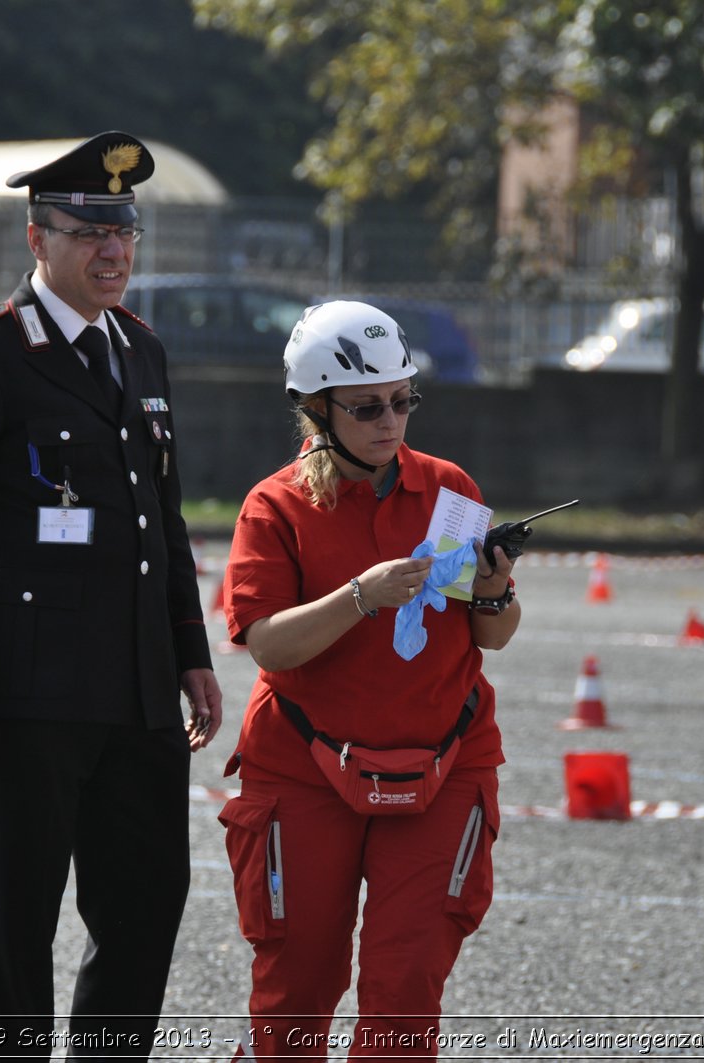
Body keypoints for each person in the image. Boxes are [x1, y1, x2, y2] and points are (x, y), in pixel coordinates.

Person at [0, 130, 223, 1059]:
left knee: (147, 904)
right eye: (90, 232)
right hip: (33, 690)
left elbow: (160, 526)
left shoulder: (144, 351)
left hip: (138, 686)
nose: (113, 251)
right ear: (38, 238)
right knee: (22, 918)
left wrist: (191, 654)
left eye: (124, 231)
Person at [217, 300, 520, 1059]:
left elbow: (491, 635)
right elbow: (269, 646)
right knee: (296, 987)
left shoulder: (448, 490)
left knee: (406, 989)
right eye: (366, 407)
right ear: (315, 411)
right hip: (306, 769)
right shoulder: (275, 505)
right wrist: (361, 595)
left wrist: (494, 590)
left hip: (444, 764)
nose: (390, 421)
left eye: (401, 400)